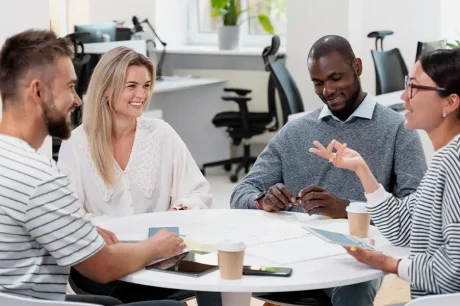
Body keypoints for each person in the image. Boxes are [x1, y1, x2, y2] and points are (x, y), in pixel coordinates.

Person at [230, 35, 427, 306]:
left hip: (356, 256)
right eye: (318, 82)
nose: (327, 90)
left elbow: (416, 212)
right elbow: (241, 192)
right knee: (223, 271)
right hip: (294, 254)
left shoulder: (397, 131)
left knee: (353, 290)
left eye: (336, 78)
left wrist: (347, 209)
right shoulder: (295, 131)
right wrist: (262, 200)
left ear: (357, 67)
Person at [0, 29, 184, 306]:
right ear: (38, 91)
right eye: (69, 87)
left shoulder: (9, 161)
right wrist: (156, 247)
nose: (76, 100)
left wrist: (81, 229)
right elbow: (102, 268)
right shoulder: (40, 178)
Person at [57, 46, 220, 305]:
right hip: (103, 263)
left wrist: (178, 211)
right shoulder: (76, 144)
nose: (141, 95)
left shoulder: (161, 134)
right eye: (131, 86)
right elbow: (67, 215)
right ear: (107, 88)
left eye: (146, 85)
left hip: (159, 259)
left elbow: (199, 191)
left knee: (216, 275)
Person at [310, 48, 460, 304]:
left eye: (414, 88)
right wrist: (362, 170)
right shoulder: (444, 160)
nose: (404, 96)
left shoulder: (453, 163)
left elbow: (454, 271)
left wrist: (390, 264)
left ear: (450, 102)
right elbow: (402, 228)